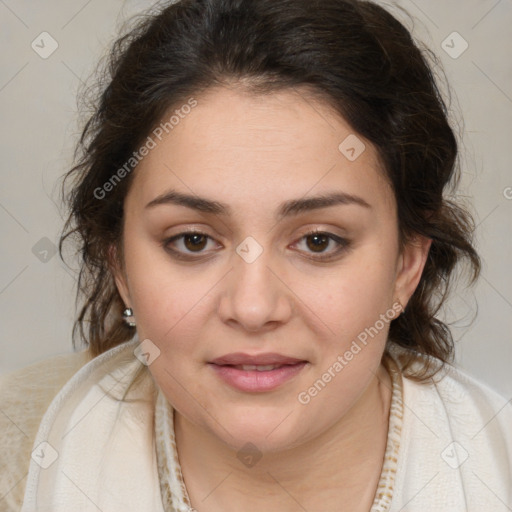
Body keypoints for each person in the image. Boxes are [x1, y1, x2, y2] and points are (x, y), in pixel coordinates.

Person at [1, 0, 511, 510]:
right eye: (193, 240)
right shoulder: (14, 454)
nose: (252, 308)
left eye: (318, 241)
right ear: (120, 265)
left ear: (406, 266)